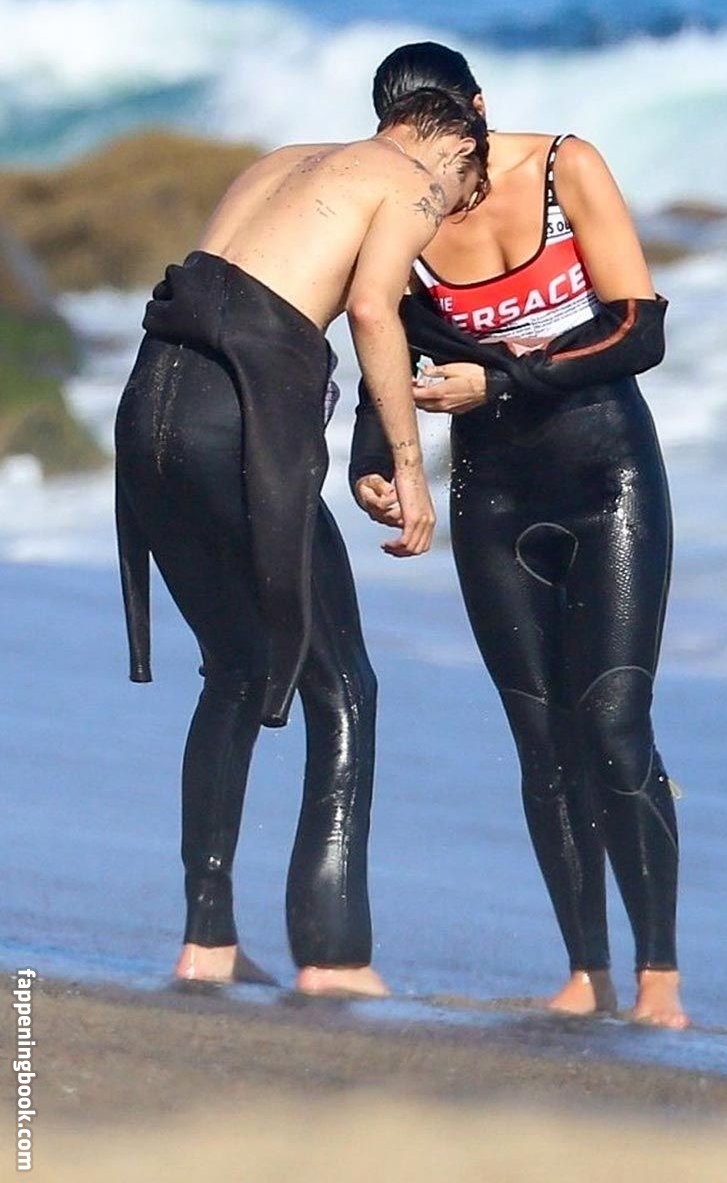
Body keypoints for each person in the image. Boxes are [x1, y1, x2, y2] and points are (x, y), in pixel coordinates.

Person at [114, 88, 489, 994]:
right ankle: (333, 956)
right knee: (344, 686)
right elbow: (372, 312)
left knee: (237, 671)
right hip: (234, 426)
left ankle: (207, 942)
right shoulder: (410, 180)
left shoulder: (283, 163)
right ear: (456, 149)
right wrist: (410, 469)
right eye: (467, 192)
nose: (452, 214)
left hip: (149, 412)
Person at [350, 43, 687, 1028]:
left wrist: (501, 380)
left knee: (613, 721)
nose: (431, 172)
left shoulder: (561, 167)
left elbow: (638, 330)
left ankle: (658, 975)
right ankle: (585, 972)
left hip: (606, 475)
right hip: (492, 496)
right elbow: (386, 343)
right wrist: (373, 457)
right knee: (541, 741)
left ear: (478, 108)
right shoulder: (402, 214)